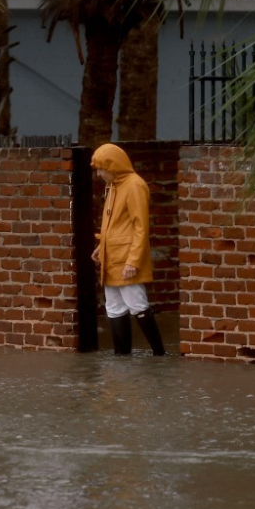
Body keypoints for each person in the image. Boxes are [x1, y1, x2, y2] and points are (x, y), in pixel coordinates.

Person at [90, 143, 166, 356]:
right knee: (114, 306)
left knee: (137, 303)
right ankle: (122, 356)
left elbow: (140, 226)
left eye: (101, 168)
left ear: (112, 166)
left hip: (126, 258)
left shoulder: (134, 185)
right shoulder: (114, 186)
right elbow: (116, 225)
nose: (99, 174)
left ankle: (158, 354)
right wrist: (101, 246)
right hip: (113, 257)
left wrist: (133, 261)